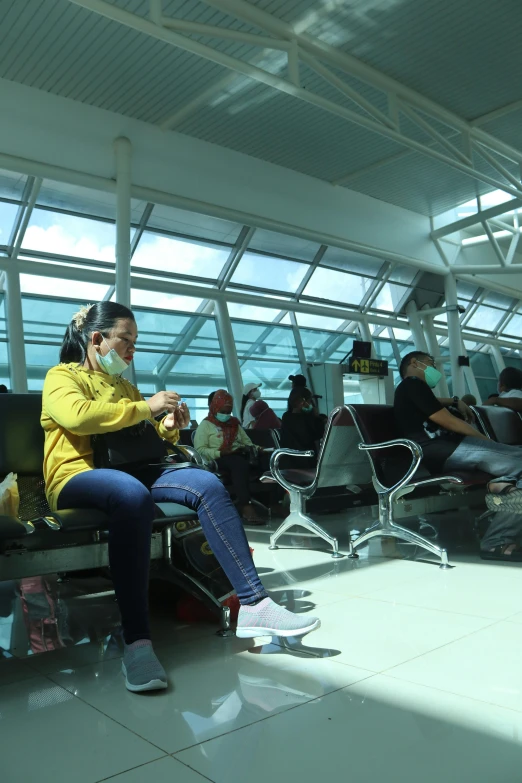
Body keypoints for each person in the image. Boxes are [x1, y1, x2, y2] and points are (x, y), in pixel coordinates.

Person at [41, 303, 320, 693]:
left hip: (131, 473)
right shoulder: (61, 376)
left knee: (206, 484)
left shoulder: (124, 386)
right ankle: (137, 641)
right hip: (76, 476)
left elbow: (136, 440)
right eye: (126, 340)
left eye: (135, 342)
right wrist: (147, 407)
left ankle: (255, 604)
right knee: (132, 496)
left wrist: (168, 427)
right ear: (97, 338)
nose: (131, 351)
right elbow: (78, 417)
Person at [394, 350, 522, 560]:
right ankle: (497, 541)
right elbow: (450, 422)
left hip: (450, 449)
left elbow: (435, 403)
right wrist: (488, 442)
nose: (435, 370)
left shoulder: (415, 391)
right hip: (442, 451)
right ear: (415, 363)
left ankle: (504, 485)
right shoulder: (412, 384)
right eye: (431, 363)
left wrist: (455, 401)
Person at [194, 389, 267, 524]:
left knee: (268, 461)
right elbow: (200, 450)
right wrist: (221, 452)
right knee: (239, 463)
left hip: (238, 454)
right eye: (223, 412)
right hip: (218, 458)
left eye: (229, 412)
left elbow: (247, 442)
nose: (226, 415)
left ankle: (273, 502)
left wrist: (258, 449)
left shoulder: (234, 424)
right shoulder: (205, 425)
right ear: (215, 408)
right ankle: (246, 506)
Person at [280, 387, 326, 468]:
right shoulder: (307, 419)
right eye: (309, 401)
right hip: (307, 461)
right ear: (302, 402)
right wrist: (316, 417)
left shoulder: (286, 417)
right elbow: (318, 434)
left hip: (287, 462)